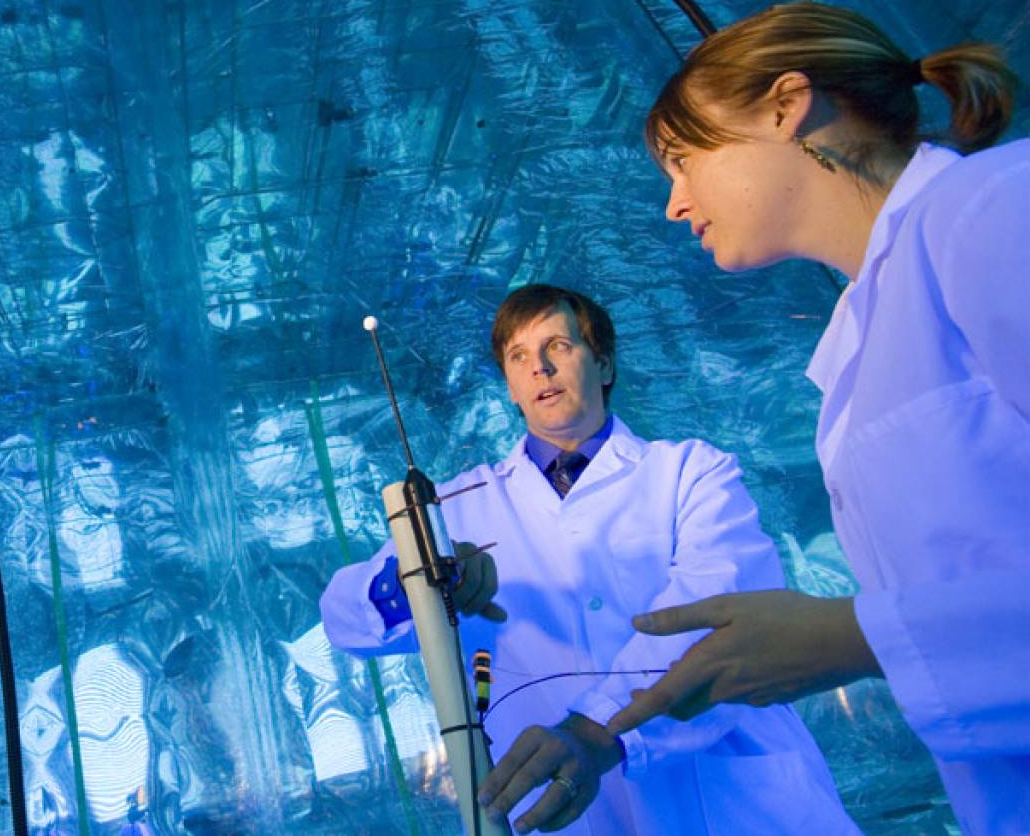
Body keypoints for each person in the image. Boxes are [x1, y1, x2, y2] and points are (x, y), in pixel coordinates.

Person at [604, 0, 1029, 834]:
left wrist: (854, 638)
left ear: (786, 106)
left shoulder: (992, 210)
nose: (674, 204)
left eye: (683, 161)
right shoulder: (867, 330)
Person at [319, 284, 856, 835]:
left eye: (558, 346)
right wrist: (418, 580)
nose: (540, 368)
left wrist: (595, 732)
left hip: (733, 804)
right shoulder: (456, 509)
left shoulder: (692, 473)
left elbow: (715, 612)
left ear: (603, 364)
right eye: (519, 357)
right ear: (510, 388)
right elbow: (343, 619)